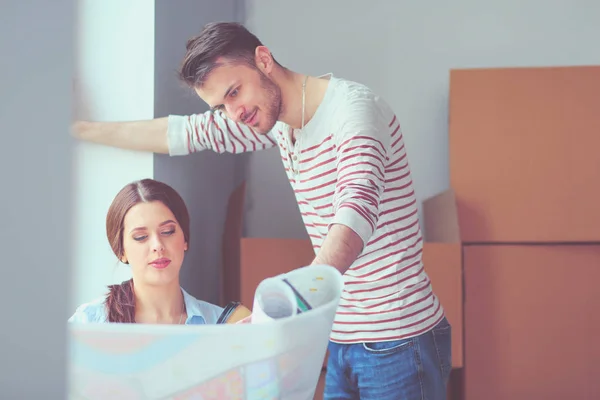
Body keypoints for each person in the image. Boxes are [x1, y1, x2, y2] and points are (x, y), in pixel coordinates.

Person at [72, 22, 452, 399]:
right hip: (340, 338)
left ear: (264, 59)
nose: (234, 112)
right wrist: (79, 129)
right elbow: (183, 134)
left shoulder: (353, 114)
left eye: (235, 92)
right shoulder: (273, 122)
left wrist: (286, 310)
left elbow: (353, 219)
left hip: (398, 338)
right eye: (221, 105)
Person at [69, 178, 224, 325]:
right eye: (141, 237)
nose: (157, 245)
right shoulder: (90, 322)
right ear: (121, 251)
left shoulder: (222, 323)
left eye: (168, 231)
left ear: (185, 239)